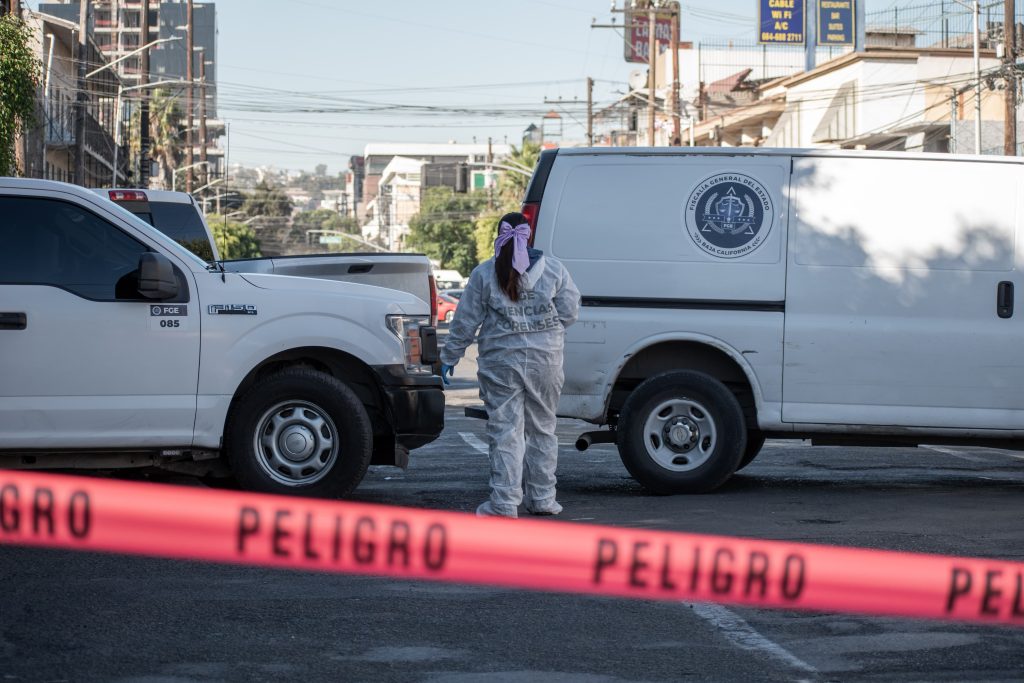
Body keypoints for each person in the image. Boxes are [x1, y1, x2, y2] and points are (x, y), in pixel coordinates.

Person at [440, 212, 580, 518]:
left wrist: (449, 357)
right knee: (543, 430)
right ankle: (543, 499)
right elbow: (570, 313)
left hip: (500, 365)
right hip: (546, 362)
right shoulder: (554, 270)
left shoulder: (485, 273)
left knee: (506, 433)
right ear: (528, 236)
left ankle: (504, 504)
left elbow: (465, 322)